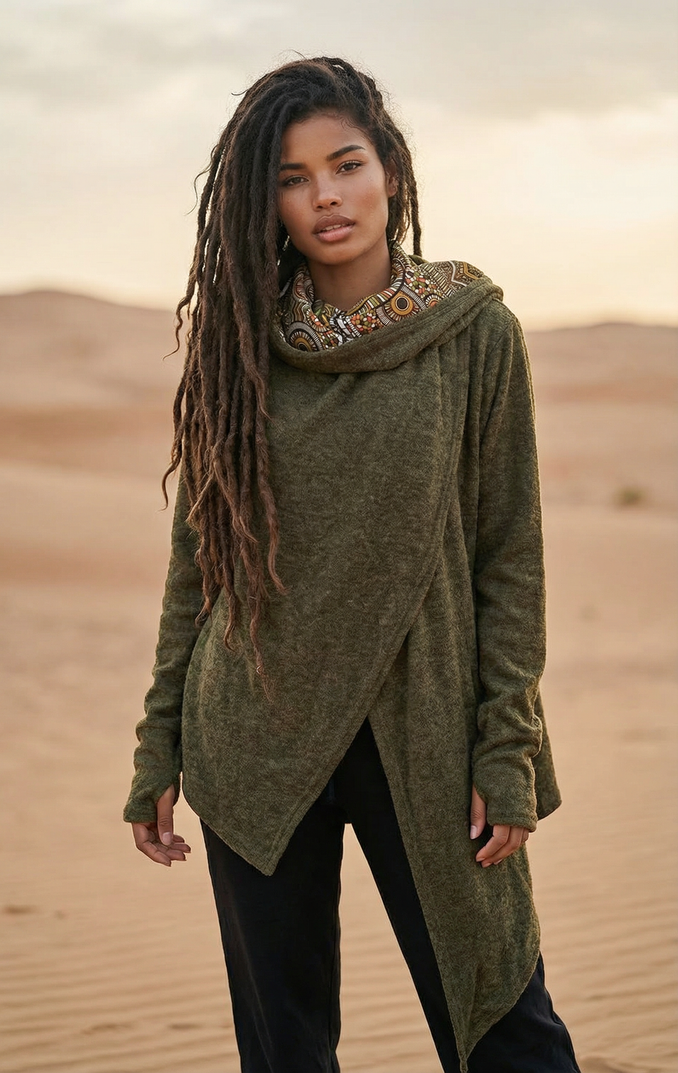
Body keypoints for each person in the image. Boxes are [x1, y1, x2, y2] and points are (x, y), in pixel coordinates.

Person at [123, 56, 581, 1073]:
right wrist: (159, 743)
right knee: (286, 1051)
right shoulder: (237, 347)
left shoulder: (473, 335)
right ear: (267, 200)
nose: (325, 195)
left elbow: (511, 554)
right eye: (292, 177)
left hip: (424, 731)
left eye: (345, 164)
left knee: (509, 1025)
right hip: (255, 731)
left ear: (390, 170)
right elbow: (200, 564)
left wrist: (506, 746)